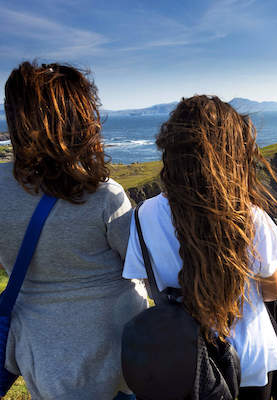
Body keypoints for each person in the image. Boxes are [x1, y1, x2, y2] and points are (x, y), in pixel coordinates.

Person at [123, 95, 277, 400]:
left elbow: (148, 285)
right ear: (232, 154)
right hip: (250, 360)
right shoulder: (249, 217)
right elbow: (273, 291)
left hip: (182, 361)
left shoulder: (142, 215)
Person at [0, 62, 147, 399]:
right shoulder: (104, 195)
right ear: (80, 121)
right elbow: (142, 267)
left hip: (43, 352)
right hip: (117, 354)